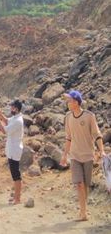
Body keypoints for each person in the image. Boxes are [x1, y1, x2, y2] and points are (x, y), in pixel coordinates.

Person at [60, 90, 106, 222]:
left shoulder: (89, 116)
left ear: (76, 102)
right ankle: (83, 212)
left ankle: (84, 208)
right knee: (79, 184)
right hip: (75, 156)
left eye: (69, 100)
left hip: (88, 155)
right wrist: (64, 155)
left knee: (85, 184)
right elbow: (68, 138)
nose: (68, 103)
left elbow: (97, 135)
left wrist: (101, 150)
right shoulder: (68, 117)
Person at [0, 100, 24, 204]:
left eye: (12, 107)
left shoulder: (18, 121)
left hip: (15, 150)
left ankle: (18, 198)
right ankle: (16, 196)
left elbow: (4, 130)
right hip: (12, 149)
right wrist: (1, 115)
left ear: (16, 108)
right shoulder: (15, 118)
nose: (11, 109)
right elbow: (7, 121)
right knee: (14, 174)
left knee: (16, 175)